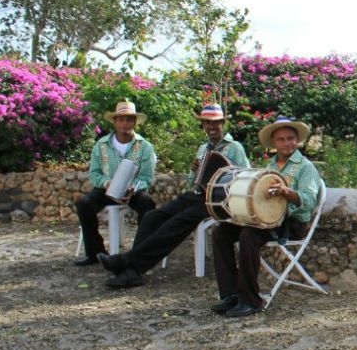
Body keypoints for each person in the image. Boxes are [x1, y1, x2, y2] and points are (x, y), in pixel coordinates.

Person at [100, 104, 250, 288]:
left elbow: (245, 177)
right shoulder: (203, 148)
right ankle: (132, 269)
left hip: (220, 200)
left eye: (216, 122)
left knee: (176, 223)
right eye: (207, 123)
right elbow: (194, 180)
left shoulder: (235, 148)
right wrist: (195, 170)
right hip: (198, 195)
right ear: (203, 125)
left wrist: (227, 173)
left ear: (222, 123)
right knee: (152, 217)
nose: (212, 126)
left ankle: (129, 265)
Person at [212, 116, 322, 318]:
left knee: (248, 235)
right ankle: (230, 295)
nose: (286, 143)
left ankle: (250, 300)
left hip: (291, 223)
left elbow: (308, 202)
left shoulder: (305, 167)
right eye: (281, 139)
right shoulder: (270, 166)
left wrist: (286, 192)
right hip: (266, 220)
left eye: (290, 138)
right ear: (274, 142)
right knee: (221, 232)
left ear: (297, 140)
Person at [73, 101, 157, 266]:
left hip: (132, 191)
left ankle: (140, 253)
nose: (125, 123)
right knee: (84, 204)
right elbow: (94, 173)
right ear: (115, 121)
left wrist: (133, 188)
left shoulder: (145, 147)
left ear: (134, 122)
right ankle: (95, 253)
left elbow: (147, 177)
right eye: (121, 119)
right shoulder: (101, 144)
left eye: (129, 119)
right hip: (105, 189)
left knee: (147, 204)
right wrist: (106, 183)